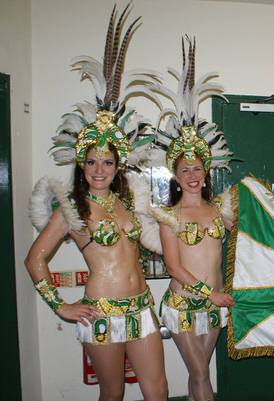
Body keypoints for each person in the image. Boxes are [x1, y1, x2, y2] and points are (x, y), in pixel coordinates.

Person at [25, 5, 167, 401]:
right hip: (101, 310)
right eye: (91, 162)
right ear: (81, 164)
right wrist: (59, 306)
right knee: (113, 392)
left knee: (158, 389)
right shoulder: (71, 208)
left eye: (107, 162)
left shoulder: (128, 201)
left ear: (118, 164)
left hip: (141, 307)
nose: (99, 169)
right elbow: (35, 258)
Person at [146, 37, 235, 401]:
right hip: (184, 303)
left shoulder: (220, 211)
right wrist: (209, 294)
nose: (192, 175)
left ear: (206, 171)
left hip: (214, 303)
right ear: (176, 176)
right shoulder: (169, 215)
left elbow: (246, 241)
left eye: (197, 168)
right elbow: (173, 265)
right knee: (199, 370)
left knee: (201, 374)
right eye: (185, 170)